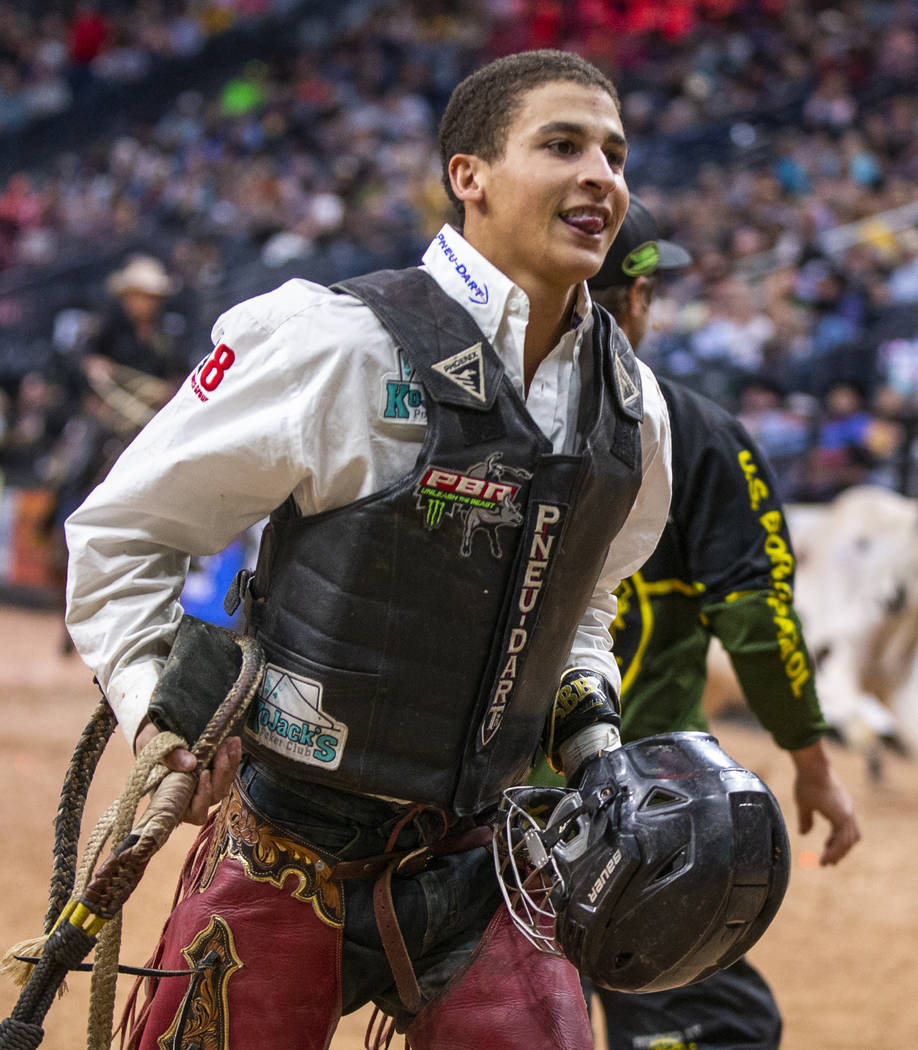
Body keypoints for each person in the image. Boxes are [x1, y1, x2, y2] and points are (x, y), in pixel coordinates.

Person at [63, 51, 673, 1050]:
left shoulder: (631, 405)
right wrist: (157, 716)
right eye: (562, 145)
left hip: (491, 857)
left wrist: (595, 741)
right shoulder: (336, 343)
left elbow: (588, 600)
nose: (601, 175)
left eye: (615, 152)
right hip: (284, 835)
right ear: (468, 175)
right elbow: (125, 534)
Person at [583, 196, 862, 1050]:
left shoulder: (477, 414)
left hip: (482, 803)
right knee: (721, 1026)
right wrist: (812, 763)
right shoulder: (700, 433)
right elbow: (757, 621)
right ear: (634, 300)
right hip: (641, 807)